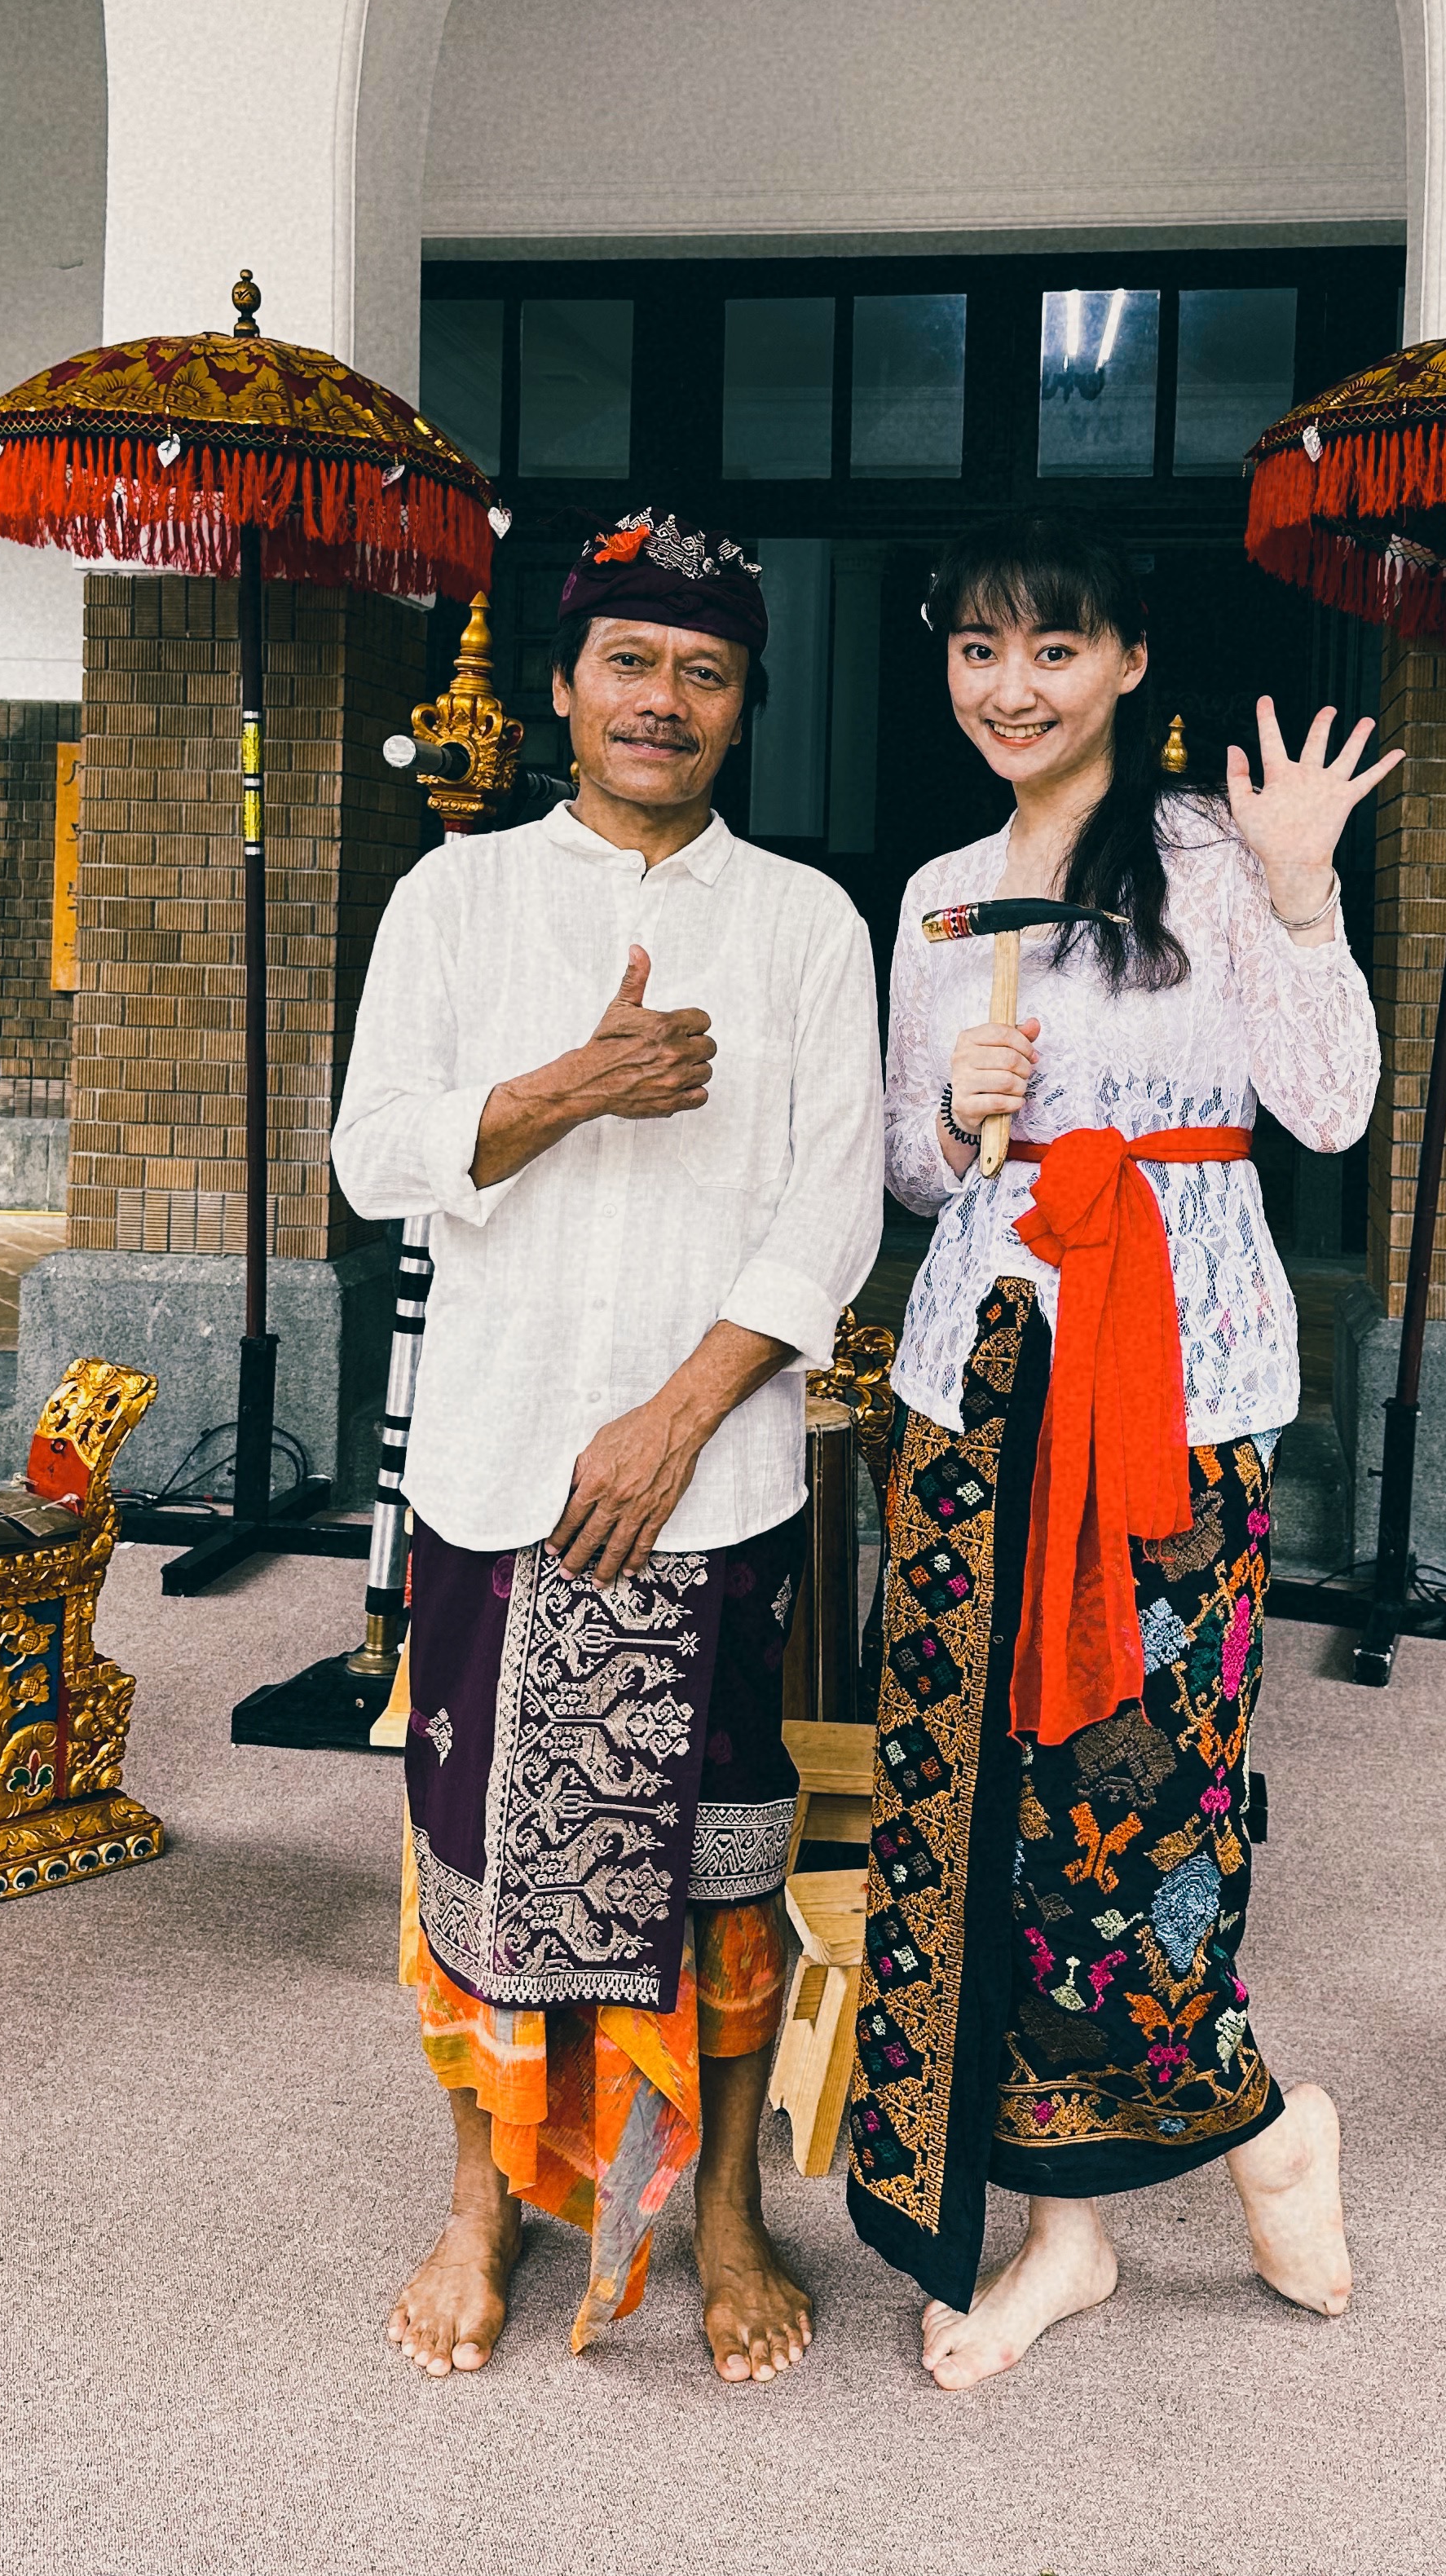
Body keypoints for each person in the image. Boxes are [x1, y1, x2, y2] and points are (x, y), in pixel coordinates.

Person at [331, 509, 884, 2382]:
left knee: (724, 1867)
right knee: (477, 1856)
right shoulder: (458, 900)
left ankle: (726, 2210)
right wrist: (575, 1084)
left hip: (710, 1477)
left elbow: (834, 1212)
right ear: (563, 688)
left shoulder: (805, 923)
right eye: (630, 662)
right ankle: (484, 2201)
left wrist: (676, 1414)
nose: (664, 699)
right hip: (496, 1461)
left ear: (743, 706)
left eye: (704, 672)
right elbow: (372, 1158)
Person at [844, 517, 1395, 2388]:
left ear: (1132, 660)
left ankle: (1259, 2127)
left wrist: (1306, 897)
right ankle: (1066, 2232)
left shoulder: (1219, 865)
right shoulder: (939, 894)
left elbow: (1330, 1108)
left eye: (1053, 648)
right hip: (976, 1385)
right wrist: (953, 1112)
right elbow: (910, 1176)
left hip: (1174, 1390)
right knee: (979, 1813)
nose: (1010, 687)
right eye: (976, 648)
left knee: (1138, 1812)